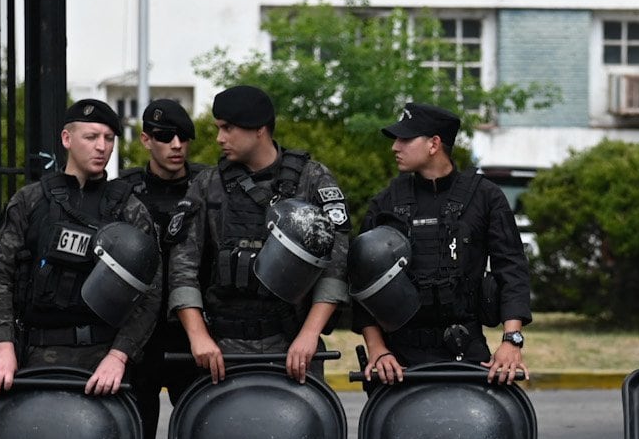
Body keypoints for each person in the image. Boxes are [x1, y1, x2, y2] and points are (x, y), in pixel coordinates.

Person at [166, 84, 350, 384]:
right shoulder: (207, 184)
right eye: (218, 128)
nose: (219, 138)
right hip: (221, 350)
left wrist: (308, 336)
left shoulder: (312, 179)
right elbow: (182, 267)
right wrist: (198, 336)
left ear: (259, 130)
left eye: (228, 128)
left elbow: (335, 266)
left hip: (292, 345)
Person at [0, 98, 160, 396]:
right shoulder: (31, 201)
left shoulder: (129, 209)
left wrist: (118, 356)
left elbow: (149, 294)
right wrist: (2, 346)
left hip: (103, 365)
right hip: (34, 357)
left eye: (108, 138)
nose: (101, 147)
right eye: (91, 137)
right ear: (67, 138)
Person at [353, 102, 531, 385]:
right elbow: (362, 282)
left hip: (467, 350)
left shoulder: (485, 197)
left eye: (405, 139)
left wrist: (512, 341)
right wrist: (378, 349)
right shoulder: (387, 201)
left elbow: (511, 269)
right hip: (399, 359)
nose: (395, 147)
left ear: (434, 143)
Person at [123, 97, 208, 439]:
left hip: (193, 337)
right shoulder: (124, 189)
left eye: (183, 137)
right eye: (164, 137)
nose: (176, 144)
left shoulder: (209, 186)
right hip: (139, 341)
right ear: (145, 140)